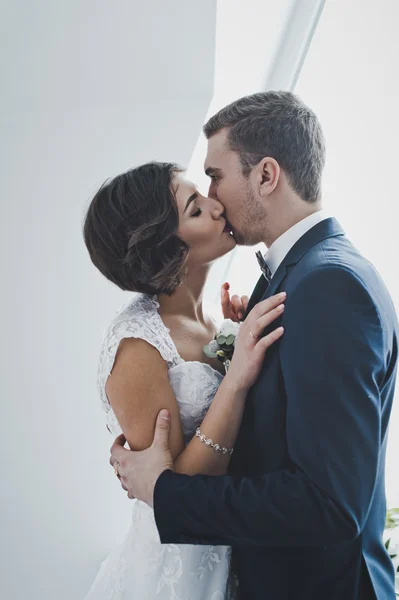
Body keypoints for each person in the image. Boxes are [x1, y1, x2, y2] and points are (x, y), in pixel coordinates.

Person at [109, 91, 399, 600]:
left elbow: (329, 504)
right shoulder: (301, 276)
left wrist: (163, 492)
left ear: (266, 175)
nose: (214, 197)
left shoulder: (329, 285)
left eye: (216, 176)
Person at [83, 160, 285, 599]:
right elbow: (175, 492)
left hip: (242, 550)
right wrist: (235, 381)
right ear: (164, 249)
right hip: (177, 573)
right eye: (195, 210)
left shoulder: (216, 324)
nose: (217, 208)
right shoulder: (137, 347)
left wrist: (239, 335)